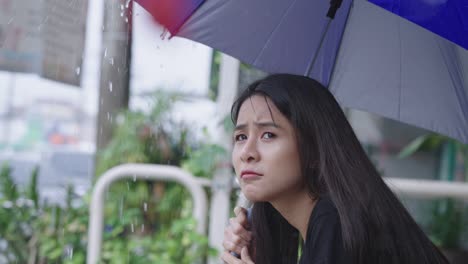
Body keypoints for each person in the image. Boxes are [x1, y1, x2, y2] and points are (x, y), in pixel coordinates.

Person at [221, 74, 449, 264]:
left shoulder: (336, 221)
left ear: (314, 148)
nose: (247, 152)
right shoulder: (316, 218)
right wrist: (250, 249)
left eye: (268, 135)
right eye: (241, 137)